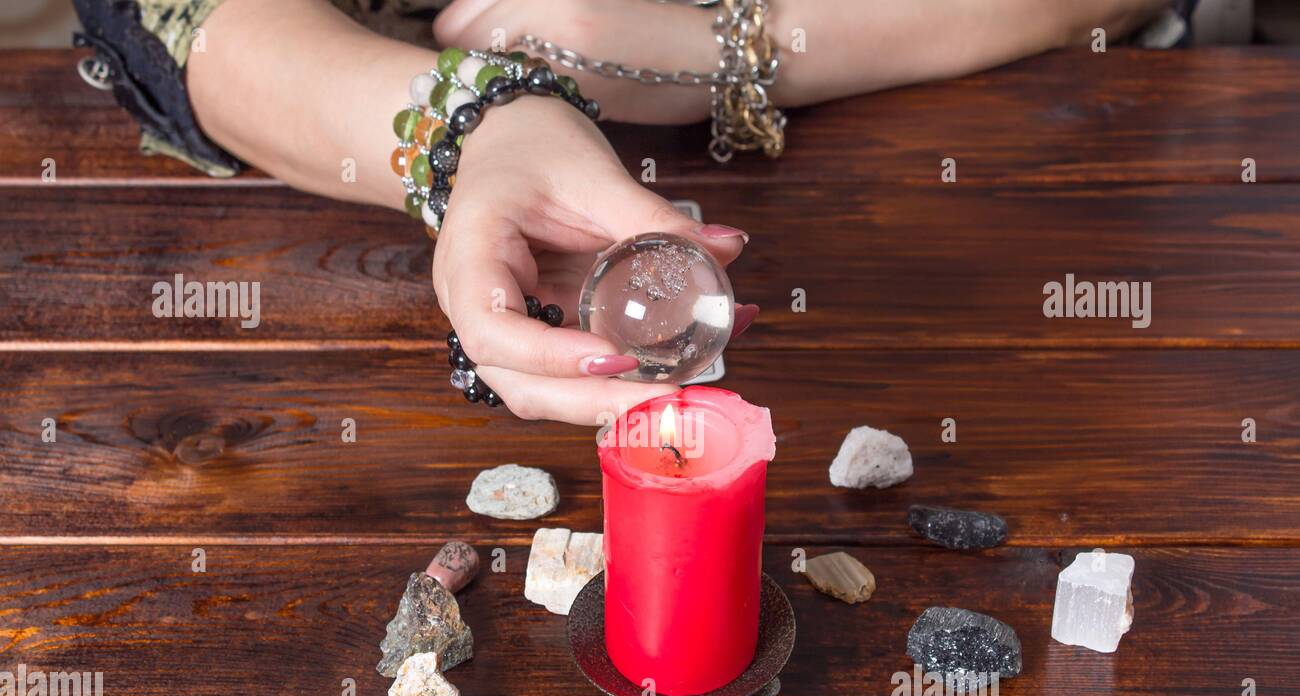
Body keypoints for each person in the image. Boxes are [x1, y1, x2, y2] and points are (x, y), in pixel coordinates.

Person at [73, 0, 1184, 424]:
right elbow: (174, 19)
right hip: (358, 157)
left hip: (1014, 148)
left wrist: (730, 52)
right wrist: (478, 127)